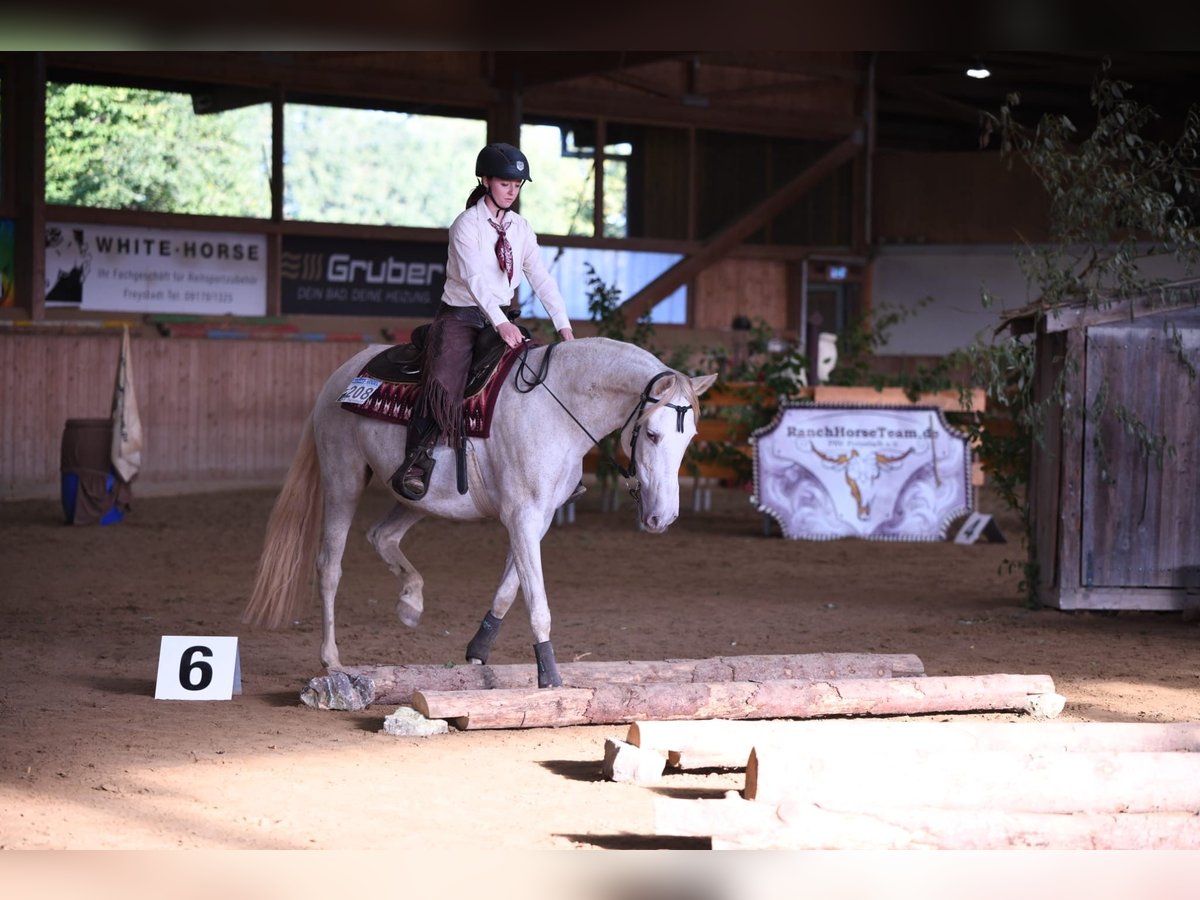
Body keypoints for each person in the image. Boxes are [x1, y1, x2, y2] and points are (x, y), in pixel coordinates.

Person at [391, 142, 576, 500]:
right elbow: (475, 279)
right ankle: (416, 459)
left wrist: (562, 325)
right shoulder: (466, 225)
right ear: (485, 180)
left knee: (532, 374)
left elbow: (540, 277)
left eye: (518, 184)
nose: (512, 190)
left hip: (501, 316)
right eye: (506, 183)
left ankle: (546, 463)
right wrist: (500, 323)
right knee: (444, 380)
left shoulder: (521, 228)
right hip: (460, 316)